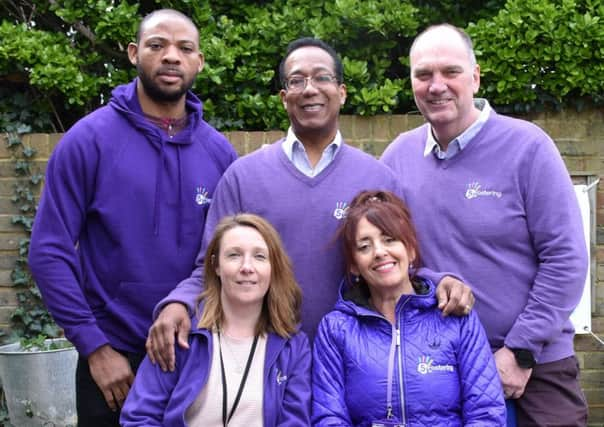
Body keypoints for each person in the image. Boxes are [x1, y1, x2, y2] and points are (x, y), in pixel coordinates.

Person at [146, 37, 474, 372]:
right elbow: (210, 267)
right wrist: (178, 304)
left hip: (356, 366)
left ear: (341, 92)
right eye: (297, 80)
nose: (310, 89)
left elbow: (402, 267)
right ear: (284, 97)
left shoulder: (378, 178)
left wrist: (440, 281)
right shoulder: (243, 177)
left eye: (321, 77)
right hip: (265, 363)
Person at [28, 9, 237, 426]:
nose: (171, 56)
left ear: (199, 62)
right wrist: (95, 348)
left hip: (196, 355)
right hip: (114, 363)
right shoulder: (88, 141)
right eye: (157, 45)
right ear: (132, 53)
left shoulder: (219, 154)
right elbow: (48, 251)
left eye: (185, 48)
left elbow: (222, 256)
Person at [381, 24, 588, 426]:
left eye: (450, 72)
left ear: (475, 76)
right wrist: (432, 277)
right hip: (438, 362)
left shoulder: (529, 148)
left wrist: (520, 352)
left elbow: (565, 259)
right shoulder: (397, 159)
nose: (436, 85)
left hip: (536, 367)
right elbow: (389, 254)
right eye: (423, 75)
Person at [312, 190, 506, 426]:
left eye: (389, 239)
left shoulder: (455, 316)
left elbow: (486, 413)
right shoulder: (336, 329)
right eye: (364, 246)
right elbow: (329, 418)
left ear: (411, 250)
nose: (380, 252)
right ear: (354, 265)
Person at [120, 214, 311, 426]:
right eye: (234, 255)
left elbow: (295, 421)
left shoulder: (293, 346)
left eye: (259, 257)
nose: (247, 267)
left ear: (272, 267)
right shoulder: (183, 336)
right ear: (216, 265)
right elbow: (139, 417)